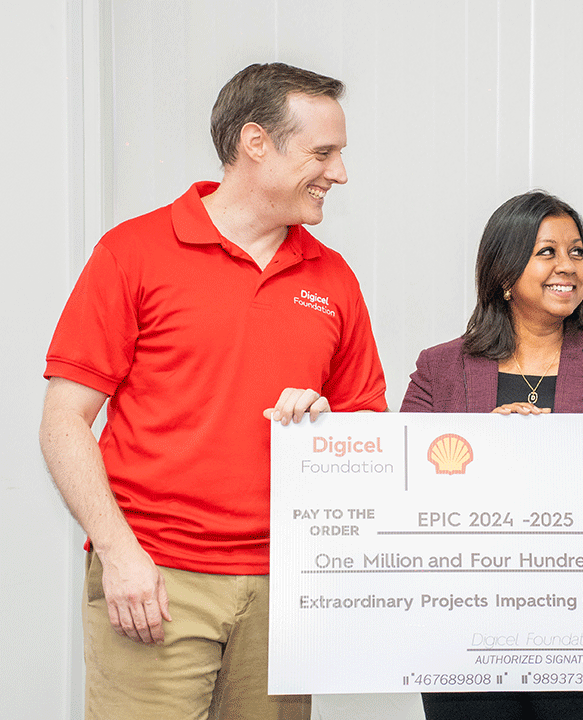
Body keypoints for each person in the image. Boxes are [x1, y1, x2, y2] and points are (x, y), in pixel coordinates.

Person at [39, 63, 387, 720]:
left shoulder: (333, 278)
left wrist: (329, 424)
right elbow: (63, 422)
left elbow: (370, 430)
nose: (339, 173)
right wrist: (118, 553)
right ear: (256, 143)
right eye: (323, 152)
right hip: (156, 580)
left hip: (284, 588)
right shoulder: (132, 252)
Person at [401, 190, 583, 719]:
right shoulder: (439, 370)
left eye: (577, 251)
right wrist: (481, 450)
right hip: (462, 637)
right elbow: (402, 494)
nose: (567, 266)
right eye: (547, 252)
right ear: (504, 272)